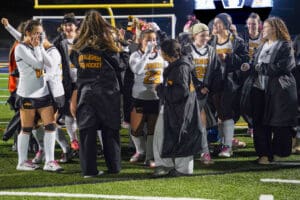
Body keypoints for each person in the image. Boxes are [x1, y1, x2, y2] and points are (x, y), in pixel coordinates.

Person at [72, 10, 123, 177]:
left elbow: (74, 63)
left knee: (87, 131)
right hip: (108, 92)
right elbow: (119, 66)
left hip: (86, 93)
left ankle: (89, 170)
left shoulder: (78, 45)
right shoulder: (108, 44)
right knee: (110, 130)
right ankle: (114, 166)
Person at [247, 17, 297, 164]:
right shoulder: (262, 46)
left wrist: (261, 67)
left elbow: (286, 66)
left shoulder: (285, 46)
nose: (263, 29)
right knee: (259, 123)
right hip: (259, 89)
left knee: (278, 123)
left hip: (277, 91)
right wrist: (248, 67)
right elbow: (255, 65)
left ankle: (278, 152)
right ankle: (263, 154)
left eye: (266, 27)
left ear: (275, 29)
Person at [14, 19, 62, 171]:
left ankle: (49, 161)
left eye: (41, 34)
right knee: (27, 128)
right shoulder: (21, 48)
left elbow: (48, 64)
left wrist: (39, 46)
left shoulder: (37, 46)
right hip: (27, 94)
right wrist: (38, 47)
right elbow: (38, 65)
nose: (39, 36)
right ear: (27, 33)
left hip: (43, 93)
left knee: (50, 126)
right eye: (36, 33)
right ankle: (21, 162)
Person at [153, 39, 205, 177]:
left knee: (168, 135)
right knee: (179, 135)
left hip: (179, 108)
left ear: (165, 53)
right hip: (185, 107)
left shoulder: (181, 67)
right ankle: (176, 166)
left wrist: (160, 89)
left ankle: (170, 166)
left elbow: (180, 92)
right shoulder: (182, 63)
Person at [210, 13, 248, 157]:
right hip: (215, 81)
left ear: (226, 24)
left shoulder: (236, 40)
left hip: (230, 82)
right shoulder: (211, 41)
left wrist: (228, 57)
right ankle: (223, 143)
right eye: (214, 23)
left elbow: (245, 60)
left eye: (218, 23)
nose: (215, 25)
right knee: (219, 114)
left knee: (226, 113)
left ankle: (227, 146)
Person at [129, 29, 166, 168]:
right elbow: (137, 70)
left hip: (156, 97)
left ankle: (150, 157)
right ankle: (141, 150)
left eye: (154, 39)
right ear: (141, 41)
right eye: (148, 40)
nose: (152, 43)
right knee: (136, 130)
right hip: (139, 97)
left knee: (152, 130)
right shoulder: (135, 55)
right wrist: (146, 53)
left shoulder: (161, 55)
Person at [190, 23, 219, 164]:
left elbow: (215, 71)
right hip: (190, 92)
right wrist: (198, 86)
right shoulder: (186, 50)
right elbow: (186, 72)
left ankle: (204, 151)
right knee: (190, 123)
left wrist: (208, 86)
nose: (206, 38)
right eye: (202, 35)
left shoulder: (212, 50)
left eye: (207, 35)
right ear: (194, 35)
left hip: (205, 93)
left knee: (203, 123)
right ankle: (191, 151)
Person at [52, 13, 80, 158]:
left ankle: (81, 144)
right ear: (62, 27)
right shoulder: (58, 42)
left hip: (82, 82)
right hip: (65, 83)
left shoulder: (83, 40)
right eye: (66, 25)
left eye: (71, 24)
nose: (68, 27)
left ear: (76, 26)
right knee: (63, 115)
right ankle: (72, 144)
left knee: (77, 114)